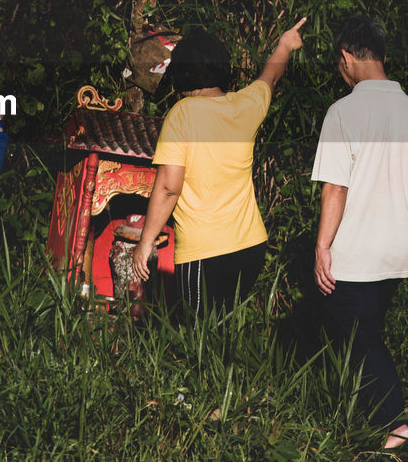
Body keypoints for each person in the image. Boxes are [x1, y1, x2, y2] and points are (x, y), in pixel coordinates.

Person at [310, 15, 408, 449]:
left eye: (338, 63)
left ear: (346, 58)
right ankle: (367, 422)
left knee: (362, 341)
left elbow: (335, 187)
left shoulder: (343, 112)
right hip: (395, 255)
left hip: (355, 253)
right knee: (364, 335)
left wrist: (322, 246)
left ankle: (394, 424)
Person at [132, 18, 307, 314]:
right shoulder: (245, 105)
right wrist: (286, 44)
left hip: (205, 253)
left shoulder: (182, 114)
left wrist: (145, 242)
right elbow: (271, 76)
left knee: (199, 340)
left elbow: (168, 187)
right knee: (225, 337)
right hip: (250, 248)